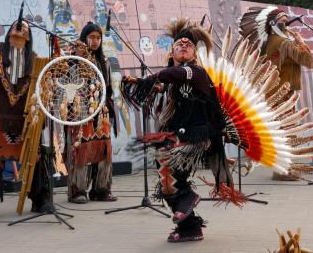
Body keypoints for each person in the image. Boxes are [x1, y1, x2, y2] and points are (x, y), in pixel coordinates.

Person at [122, 19, 238, 242]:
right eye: (179, 45)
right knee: (167, 183)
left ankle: (188, 196)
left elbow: (170, 76)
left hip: (200, 135)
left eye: (188, 45)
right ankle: (190, 227)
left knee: (166, 157)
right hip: (181, 134)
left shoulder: (195, 72)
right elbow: (164, 84)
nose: (184, 46)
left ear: (195, 53)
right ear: (172, 51)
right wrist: (145, 84)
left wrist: (145, 80)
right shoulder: (174, 76)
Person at [239, 6, 313, 180]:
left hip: (276, 92)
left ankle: (282, 169)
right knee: (286, 131)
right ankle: (281, 171)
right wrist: (301, 42)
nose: (286, 22)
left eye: (286, 19)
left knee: (283, 131)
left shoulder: (273, 41)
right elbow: (307, 60)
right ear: (272, 23)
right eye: (282, 20)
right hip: (281, 94)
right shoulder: (282, 42)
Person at [0, 20, 49, 220]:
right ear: (8, 33)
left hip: (25, 122)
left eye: (24, 28)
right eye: (16, 26)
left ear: (29, 36)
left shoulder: (35, 60)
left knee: (35, 159)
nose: (20, 30)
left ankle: (40, 200)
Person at [65, 22, 117, 204]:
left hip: (100, 112)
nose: (95, 41)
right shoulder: (73, 58)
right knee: (81, 149)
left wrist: (107, 108)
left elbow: (108, 88)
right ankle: (77, 190)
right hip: (81, 112)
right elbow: (68, 85)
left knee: (104, 149)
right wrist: (78, 60)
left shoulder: (104, 61)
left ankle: (101, 189)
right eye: (91, 37)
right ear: (84, 38)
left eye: (98, 38)